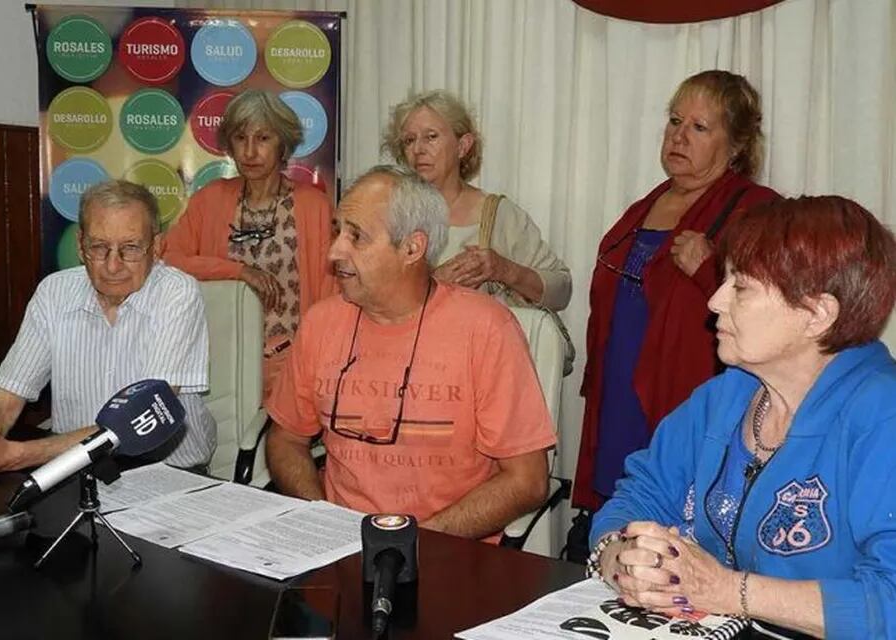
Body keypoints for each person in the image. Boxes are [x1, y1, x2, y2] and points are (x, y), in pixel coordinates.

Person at [587, 196, 896, 638]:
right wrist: (624, 558)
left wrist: (727, 590)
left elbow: (890, 602)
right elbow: (639, 495)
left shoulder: (883, 417)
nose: (714, 301)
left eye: (741, 286)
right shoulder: (726, 396)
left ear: (816, 315)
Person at [265, 165, 556, 540]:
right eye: (338, 231)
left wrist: (411, 543)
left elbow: (528, 481)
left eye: (357, 237)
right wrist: (324, 521)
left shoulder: (487, 330)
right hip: (338, 549)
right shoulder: (322, 323)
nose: (334, 250)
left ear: (412, 248)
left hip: (448, 551)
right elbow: (286, 439)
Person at [574, 70, 780, 511]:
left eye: (699, 127)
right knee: (618, 510)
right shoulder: (645, 205)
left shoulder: (757, 209)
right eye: (674, 121)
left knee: (672, 514)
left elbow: (775, 313)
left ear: (737, 145)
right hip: (619, 389)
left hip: (692, 395)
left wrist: (709, 267)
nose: (679, 136)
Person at [0, 180, 216, 479]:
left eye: (131, 248)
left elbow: (144, 414)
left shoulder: (177, 292)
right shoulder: (54, 293)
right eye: (99, 247)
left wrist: (18, 456)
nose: (113, 265)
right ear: (80, 246)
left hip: (169, 474)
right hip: (75, 472)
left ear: (157, 248)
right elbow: (4, 401)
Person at [162, 88, 335, 397]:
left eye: (263, 138)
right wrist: (237, 270)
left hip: (292, 362)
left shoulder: (314, 205)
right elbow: (171, 259)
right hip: (221, 359)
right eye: (241, 138)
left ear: (283, 144)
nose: (250, 151)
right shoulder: (210, 199)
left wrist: (319, 359)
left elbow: (330, 290)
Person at [382, 90, 571, 314]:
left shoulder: (498, 215)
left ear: (463, 146)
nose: (418, 149)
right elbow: (366, 297)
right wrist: (433, 285)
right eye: (409, 140)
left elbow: (562, 291)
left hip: (482, 347)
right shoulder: (387, 214)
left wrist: (504, 270)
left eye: (431, 137)